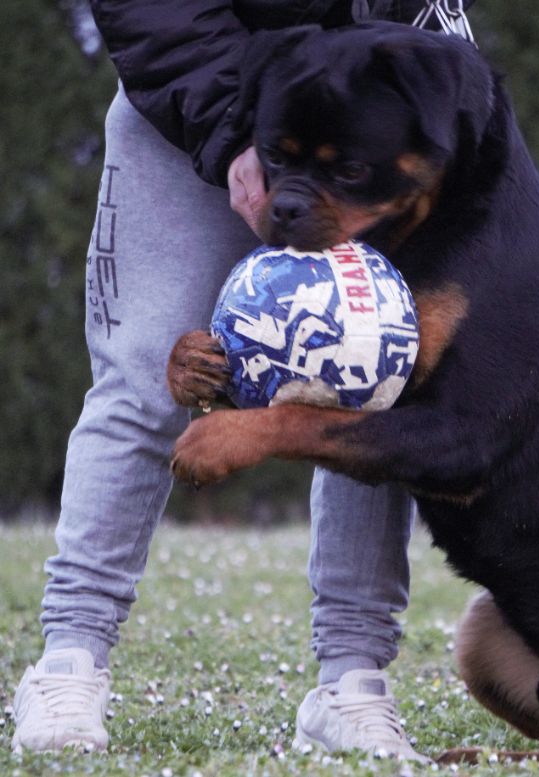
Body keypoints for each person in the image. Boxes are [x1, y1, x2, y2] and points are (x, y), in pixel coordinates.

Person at [11, 0, 469, 760]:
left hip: (362, 117)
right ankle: (69, 660)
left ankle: (350, 685)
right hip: (189, 105)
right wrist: (233, 129)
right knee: (143, 374)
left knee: (369, 368)